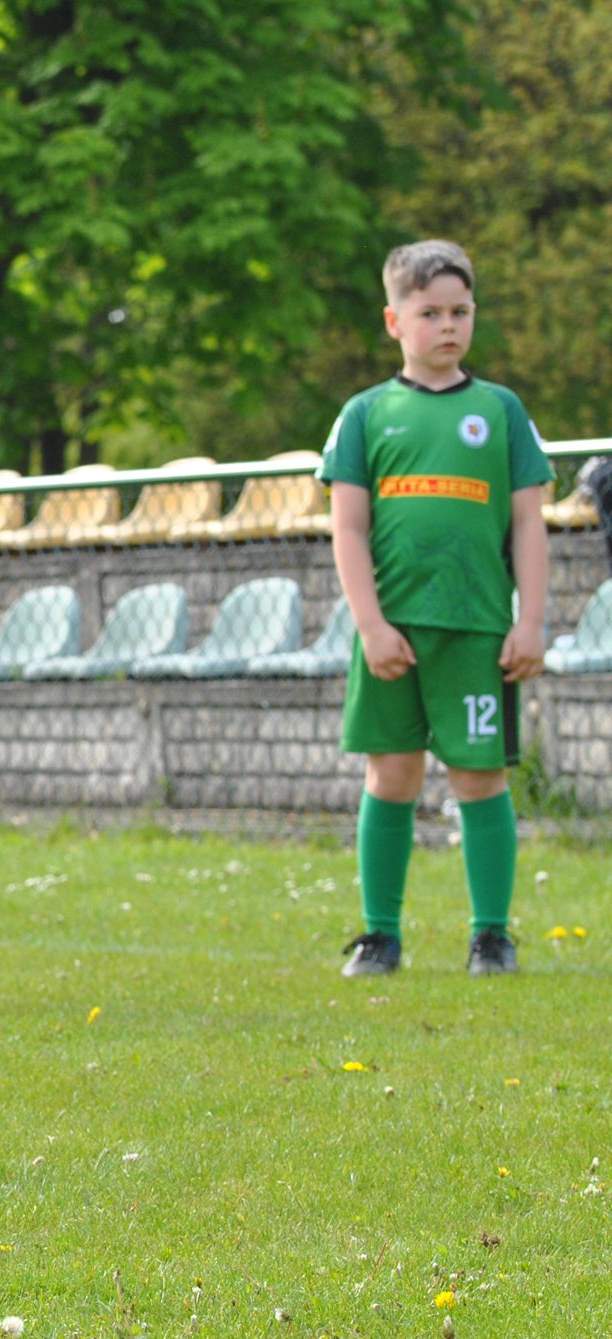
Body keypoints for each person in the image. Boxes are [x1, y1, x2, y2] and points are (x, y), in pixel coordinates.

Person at [320, 239, 550, 979]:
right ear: (394, 320)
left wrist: (530, 620)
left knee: (480, 777)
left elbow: (528, 525)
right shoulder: (364, 415)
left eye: (460, 311)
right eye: (429, 313)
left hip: (479, 631)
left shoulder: (503, 412)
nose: (447, 326)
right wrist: (370, 624)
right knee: (392, 776)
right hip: (392, 634)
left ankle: (492, 937)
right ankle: (380, 936)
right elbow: (348, 529)